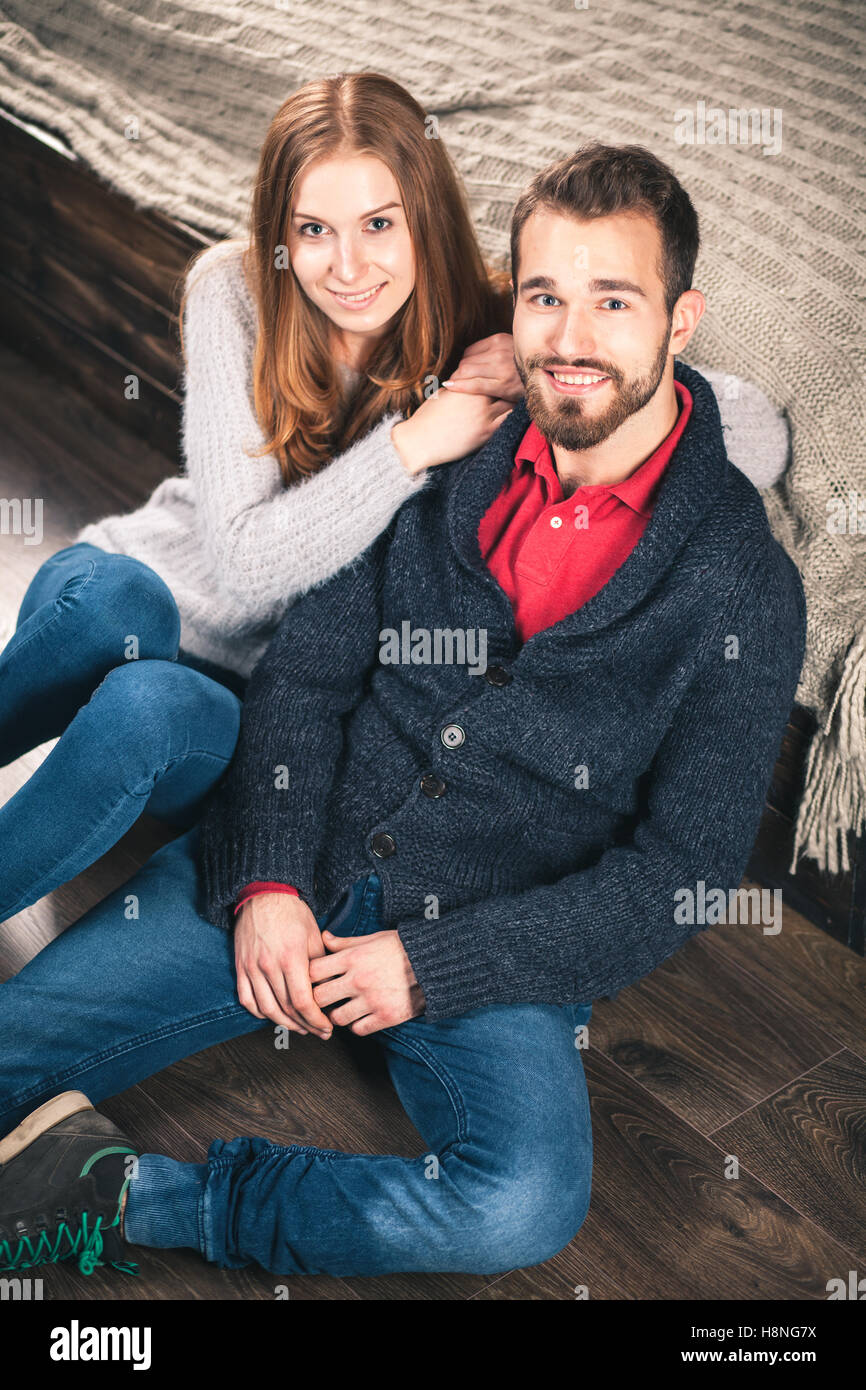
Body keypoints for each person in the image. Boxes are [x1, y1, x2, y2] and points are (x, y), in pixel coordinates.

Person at [0, 143, 806, 1283]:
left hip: (495, 930)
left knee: (519, 1204)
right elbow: (305, 676)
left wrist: (432, 967)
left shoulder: (741, 583)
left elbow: (680, 866)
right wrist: (270, 879)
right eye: (543, 296)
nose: (569, 339)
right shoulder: (441, 453)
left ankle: (131, 1192)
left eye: (611, 300)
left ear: (680, 322)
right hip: (302, 851)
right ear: (509, 306)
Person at [0, 70, 521, 926]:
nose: (347, 268)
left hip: (234, 713)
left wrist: (544, 361)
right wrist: (414, 443)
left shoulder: (492, 324)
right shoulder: (234, 289)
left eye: (380, 225)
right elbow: (244, 567)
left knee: (149, 705)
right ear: (279, 233)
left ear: (425, 215)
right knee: (123, 603)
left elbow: (745, 425)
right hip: (122, 603)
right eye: (313, 230)